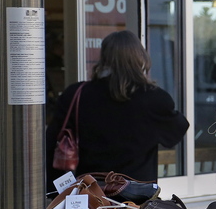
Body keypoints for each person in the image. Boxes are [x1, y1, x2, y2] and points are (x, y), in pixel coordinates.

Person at [46, 30, 189, 184]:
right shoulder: (154, 98)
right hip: (136, 197)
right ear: (140, 57)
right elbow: (176, 133)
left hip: (90, 194)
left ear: (104, 58)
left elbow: (52, 140)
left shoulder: (76, 94)